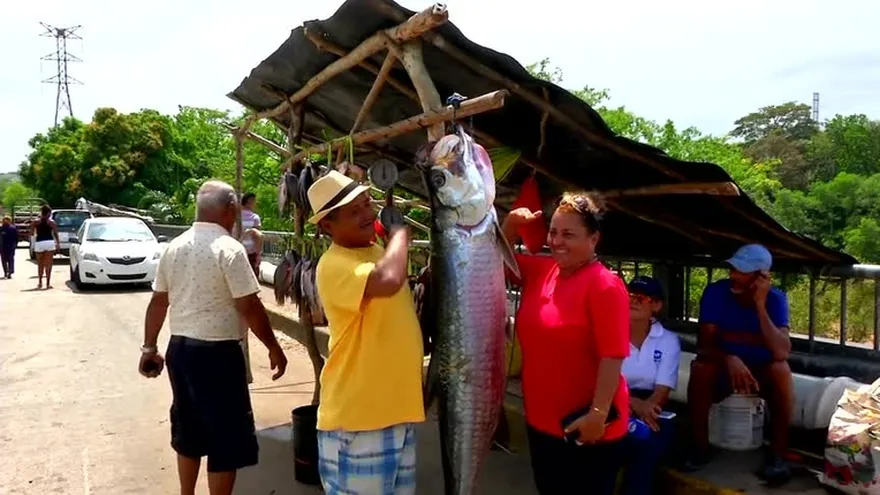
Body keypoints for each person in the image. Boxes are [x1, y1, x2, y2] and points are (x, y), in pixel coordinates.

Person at [138, 180, 288, 495]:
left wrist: (149, 347)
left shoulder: (174, 247)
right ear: (231, 209)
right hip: (218, 357)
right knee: (226, 440)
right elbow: (249, 304)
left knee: (188, 432)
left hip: (180, 352)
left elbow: (158, 302)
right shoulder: (229, 249)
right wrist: (274, 348)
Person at [501, 192, 630, 495]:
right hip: (541, 421)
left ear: (593, 239)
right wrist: (508, 225)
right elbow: (490, 260)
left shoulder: (604, 285)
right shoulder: (542, 272)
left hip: (586, 426)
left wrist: (598, 415)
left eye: (569, 234)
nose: (557, 241)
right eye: (553, 232)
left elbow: (613, 356)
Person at [308, 171, 425, 495]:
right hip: (359, 423)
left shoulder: (374, 251)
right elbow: (388, 281)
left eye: (367, 204)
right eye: (354, 211)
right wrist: (400, 235)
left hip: (395, 415)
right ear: (327, 226)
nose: (368, 214)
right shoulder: (334, 264)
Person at [684, 243, 793, 484]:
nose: (734, 276)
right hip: (723, 368)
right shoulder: (716, 293)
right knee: (701, 368)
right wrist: (728, 358)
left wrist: (760, 306)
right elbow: (704, 345)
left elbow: (781, 351)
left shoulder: (775, 300)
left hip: (759, 373)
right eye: (733, 269)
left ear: (761, 277)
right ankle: (699, 447)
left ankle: (778, 453)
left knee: (781, 371)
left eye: (743, 272)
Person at [619, 276, 681, 495]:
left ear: (656, 306)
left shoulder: (668, 340)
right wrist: (633, 405)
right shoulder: (608, 332)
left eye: (642, 297)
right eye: (629, 295)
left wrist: (644, 411)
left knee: (647, 442)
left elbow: (662, 391)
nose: (633, 301)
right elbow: (602, 381)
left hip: (652, 408)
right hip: (614, 401)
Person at [31, 205, 59, 289]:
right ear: (49, 213)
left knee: (40, 264)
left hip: (39, 243)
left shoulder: (36, 222)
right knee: (48, 264)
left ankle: (40, 282)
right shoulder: (51, 222)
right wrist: (58, 243)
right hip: (49, 242)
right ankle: (48, 283)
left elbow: (31, 233)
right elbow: (55, 233)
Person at [240, 192, 263, 278]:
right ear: (250, 202)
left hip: (236, 250)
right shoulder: (254, 218)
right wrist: (258, 254)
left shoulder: (235, 216)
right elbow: (257, 236)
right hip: (251, 251)